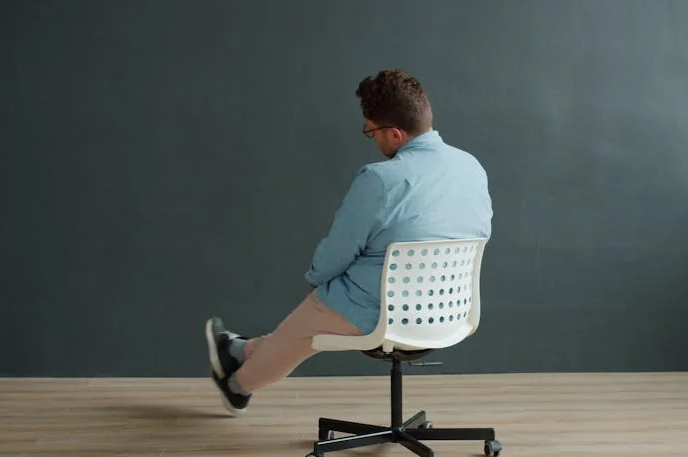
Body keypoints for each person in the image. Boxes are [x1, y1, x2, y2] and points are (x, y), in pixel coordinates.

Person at [205, 68, 493, 415]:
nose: (372, 138)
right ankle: (237, 350)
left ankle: (236, 386)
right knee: (306, 323)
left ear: (396, 134)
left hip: (379, 313)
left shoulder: (381, 179)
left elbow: (338, 251)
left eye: (371, 131)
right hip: (448, 313)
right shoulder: (472, 167)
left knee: (311, 317)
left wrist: (317, 281)